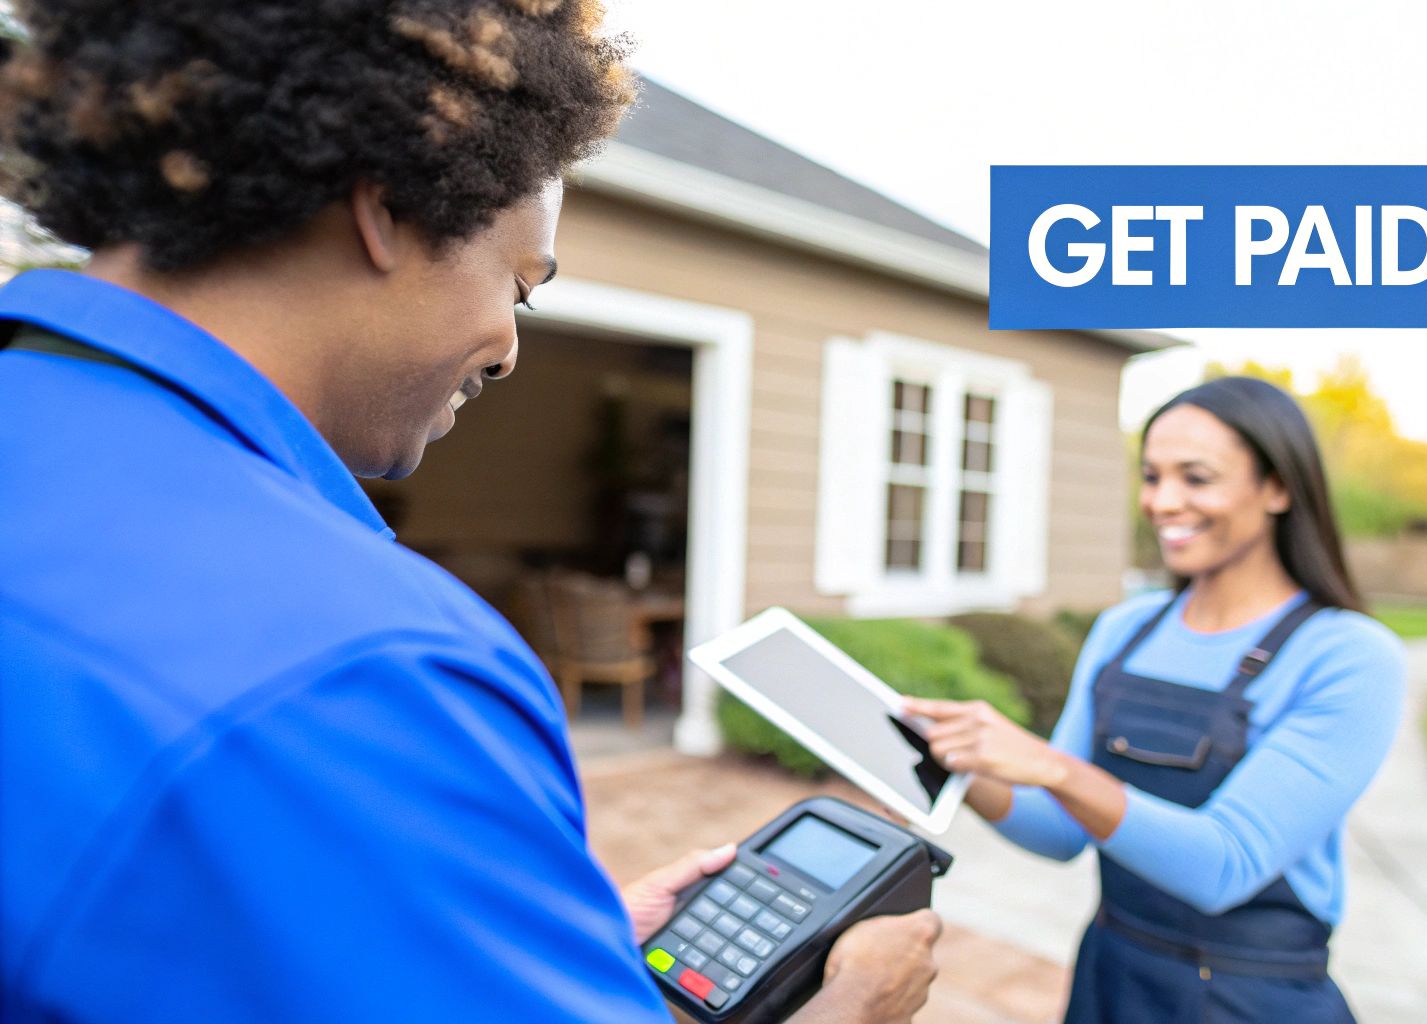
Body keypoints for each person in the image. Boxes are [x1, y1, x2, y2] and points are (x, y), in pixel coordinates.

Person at [0, 2, 938, 1021]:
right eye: (520, 286)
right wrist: (852, 1008)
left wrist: (511, 946)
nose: (506, 347)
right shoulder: (375, 667)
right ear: (386, 206)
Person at [905, 377, 1405, 1023]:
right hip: (1112, 976)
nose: (1164, 501)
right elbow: (1058, 829)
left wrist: (1055, 767)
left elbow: (1225, 865)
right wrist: (949, 761)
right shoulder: (1127, 629)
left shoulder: (1347, 655)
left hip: (1248, 998)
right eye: (1151, 476)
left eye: (1196, 478)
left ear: (1278, 487)